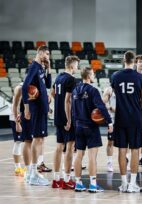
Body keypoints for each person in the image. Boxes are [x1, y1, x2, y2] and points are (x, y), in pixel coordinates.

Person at [72, 67, 113, 193]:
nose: (94, 76)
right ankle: (93, 185)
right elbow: (101, 106)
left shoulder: (75, 90)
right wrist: (109, 122)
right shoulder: (93, 90)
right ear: (89, 76)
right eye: (93, 74)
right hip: (90, 127)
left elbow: (73, 110)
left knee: (78, 156)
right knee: (92, 157)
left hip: (78, 126)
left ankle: (78, 183)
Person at [111, 51, 142, 193]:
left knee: (121, 150)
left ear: (123, 60)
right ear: (134, 61)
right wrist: (138, 107)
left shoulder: (115, 76)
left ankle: (124, 183)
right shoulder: (140, 77)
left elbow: (115, 92)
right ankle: (132, 184)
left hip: (120, 117)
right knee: (135, 150)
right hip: (135, 117)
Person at [22, 45, 51, 186]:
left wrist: (49, 68)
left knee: (39, 139)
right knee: (37, 139)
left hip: (42, 107)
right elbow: (24, 86)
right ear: (40, 53)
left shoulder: (41, 67)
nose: (48, 56)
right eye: (46, 54)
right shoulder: (34, 67)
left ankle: (33, 173)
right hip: (36, 108)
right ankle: (33, 174)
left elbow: (48, 84)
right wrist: (27, 108)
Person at [51, 55, 79, 189]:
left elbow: (52, 93)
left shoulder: (58, 77)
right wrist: (69, 119)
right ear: (72, 65)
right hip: (67, 118)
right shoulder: (71, 80)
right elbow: (68, 101)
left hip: (57, 117)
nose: (77, 68)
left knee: (58, 147)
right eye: (77, 65)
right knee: (69, 148)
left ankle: (56, 179)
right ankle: (67, 179)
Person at [11, 83, 25, 177]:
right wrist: (17, 122)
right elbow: (15, 105)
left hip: (22, 117)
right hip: (16, 117)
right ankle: (17, 168)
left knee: (25, 142)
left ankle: (21, 167)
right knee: (18, 142)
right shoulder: (19, 87)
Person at [102, 83, 116, 172]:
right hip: (113, 120)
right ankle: (109, 162)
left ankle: (126, 160)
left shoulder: (125, 89)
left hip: (124, 118)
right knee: (110, 142)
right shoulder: (109, 90)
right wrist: (108, 106)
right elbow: (103, 103)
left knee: (126, 142)